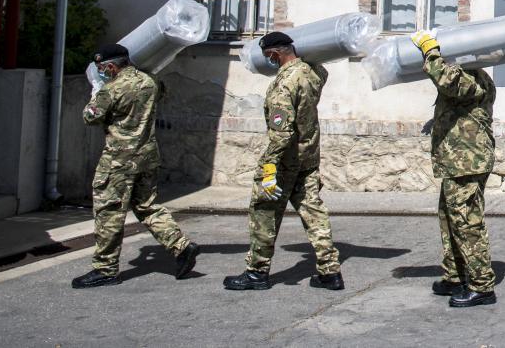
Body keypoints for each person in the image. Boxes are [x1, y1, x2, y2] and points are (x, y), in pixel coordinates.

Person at [72, 44, 199, 288]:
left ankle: (105, 269)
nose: (101, 73)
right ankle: (181, 246)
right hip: (147, 156)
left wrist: (96, 91)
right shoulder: (149, 82)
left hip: (119, 160)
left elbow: (89, 116)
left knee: (109, 212)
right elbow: (161, 92)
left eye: (102, 69)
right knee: (147, 206)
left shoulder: (111, 89)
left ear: (111, 67)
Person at [223, 31, 342, 291]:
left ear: (275, 54)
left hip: (285, 162)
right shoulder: (312, 74)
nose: (269, 63)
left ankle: (257, 272)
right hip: (308, 158)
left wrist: (268, 170)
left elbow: (282, 133)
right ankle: (330, 271)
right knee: (314, 213)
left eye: (269, 58)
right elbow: (323, 72)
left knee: (264, 213)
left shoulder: (284, 84)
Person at [414, 30, 498, 308]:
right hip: (455, 161)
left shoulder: (474, 79)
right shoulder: (470, 77)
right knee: (449, 220)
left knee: (466, 223)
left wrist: (430, 51)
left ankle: (482, 285)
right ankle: (455, 275)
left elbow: (448, 81)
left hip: (467, 162)